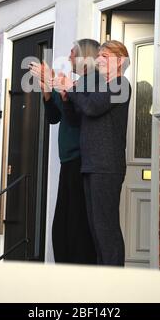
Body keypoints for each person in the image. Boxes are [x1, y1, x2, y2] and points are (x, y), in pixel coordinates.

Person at [55, 40, 131, 266]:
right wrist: (67, 99)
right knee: (95, 231)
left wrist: (72, 88)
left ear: (120, 62)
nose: (99, 60)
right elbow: (75, 118)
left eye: (106, 56)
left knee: (106, 229)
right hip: (90, 165)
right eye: (99, 56)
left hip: (107, 166)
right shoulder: (98, 88)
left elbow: (92, 108)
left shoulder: (121, 84)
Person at [29, 39, 99, 264]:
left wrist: (53, 81)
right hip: (68, 161)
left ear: (84, 56)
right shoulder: (77, 85)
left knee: (74, 225)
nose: (69, 57)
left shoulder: (90, 84)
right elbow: (53, 118)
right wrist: (47, 91)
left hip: (81, 160)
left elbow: (77, 117)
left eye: (72, 52)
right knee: (63, 226)